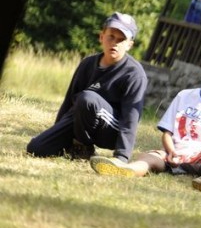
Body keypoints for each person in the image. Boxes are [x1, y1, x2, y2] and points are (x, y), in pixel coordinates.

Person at [89, 50, 201, 191]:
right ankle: (127, 169)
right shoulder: (185, 96)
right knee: (149, 158)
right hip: (173, 153)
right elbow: (167, 132)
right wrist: (171, 151)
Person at [27, 12, 147, 162]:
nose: (115, 43)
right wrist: (58, 132)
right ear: (101, 37)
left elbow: (130, 119)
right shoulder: (87, 64)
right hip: (80, 118)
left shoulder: (134, 74)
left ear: (129, 45)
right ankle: (74, 146)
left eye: (121, 39)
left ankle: (83, 147)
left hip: (110, 131)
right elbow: (68, 103)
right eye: (111, 36)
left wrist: (121, 157)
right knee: (36, 148)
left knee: (87, 99)